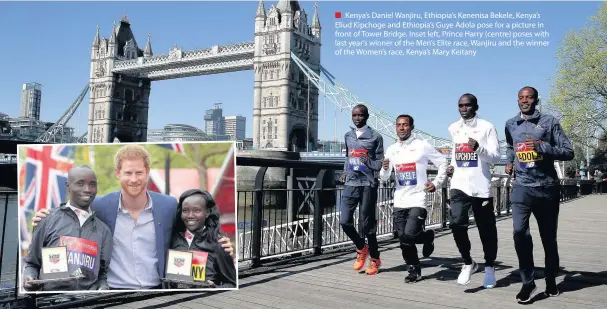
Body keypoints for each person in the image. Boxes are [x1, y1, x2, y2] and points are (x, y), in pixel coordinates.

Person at [32, 144, 235, 289]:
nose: (134, 179)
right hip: (112, 291)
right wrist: (45, 215)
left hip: (158, 290)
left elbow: (190, 233)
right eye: (128, 173)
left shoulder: (169, 205)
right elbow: (72, 209)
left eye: (139, 172)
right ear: (118, 173)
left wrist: (220, 245)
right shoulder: (101, 205)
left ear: (147, 172)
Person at [505, 86, 574, 303]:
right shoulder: (510, 124)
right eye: (521, 98)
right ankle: (528, 282)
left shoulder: (549, 122)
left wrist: (543, 146)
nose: (525, 101)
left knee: (548, 239)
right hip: (522, 187)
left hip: (546, 188)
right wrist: (509, 162)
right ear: (517, 100)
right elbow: (510, 146)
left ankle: (551, 279)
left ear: (536, 100)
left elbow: (568, 152)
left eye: (529, 97)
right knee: (519, 233)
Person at [379, 114, 447, 283]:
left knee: (409, 235)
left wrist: (437, 183)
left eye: (405, 125)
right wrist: (385, 169)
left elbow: (443, 163)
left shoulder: (422, 146)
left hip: (418, 198)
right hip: (400, 199)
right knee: (403, 238)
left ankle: (415, 266)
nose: (401, 128)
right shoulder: (391, 149)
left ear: (412, 127)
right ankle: (415, 264)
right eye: (398, 125)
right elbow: (384, 177)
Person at [23, 165, 113, 291]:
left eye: (92, 184)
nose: (87, 189)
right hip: (51, 301)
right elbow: (32, 263)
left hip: (87, 302)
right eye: (80, 183)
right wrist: (29, 277)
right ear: (68, 187)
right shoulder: (47, 219)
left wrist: (102, 286)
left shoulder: (104, 231)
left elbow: (102, 275)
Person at [446, 94, 501, 288]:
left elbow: (495, 157)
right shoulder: (453, 128)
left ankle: (489, 267)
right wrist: (451, 166)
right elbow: (456, 154)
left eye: (467, 105)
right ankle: (468, 263)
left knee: (486, 231)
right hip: (459, 185)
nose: (464, 108)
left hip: (480, 187)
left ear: (475, 106)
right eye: (460, 105)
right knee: (455, 224)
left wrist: (479, 149)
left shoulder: (487, 127)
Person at [340, 104, 384, 275]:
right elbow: (348, 157)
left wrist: (368, 162)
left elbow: (379, 163)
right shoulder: (348, 136)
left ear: (366, 116)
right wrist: (345, 172)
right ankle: (361, 247)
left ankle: (375, 259)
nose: (357, 118)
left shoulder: (376, 137)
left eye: (360, 115)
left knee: (367, 225)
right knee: (344, 221)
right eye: (354, 115)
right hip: (351, 182)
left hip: (368, 184)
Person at [170, 189, 236, 288]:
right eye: (185, 211)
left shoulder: (219, 244)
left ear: (207, 212)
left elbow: (232, 284)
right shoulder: (172, 239)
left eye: (196, 210)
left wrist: (213, 288)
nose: (190, 216)